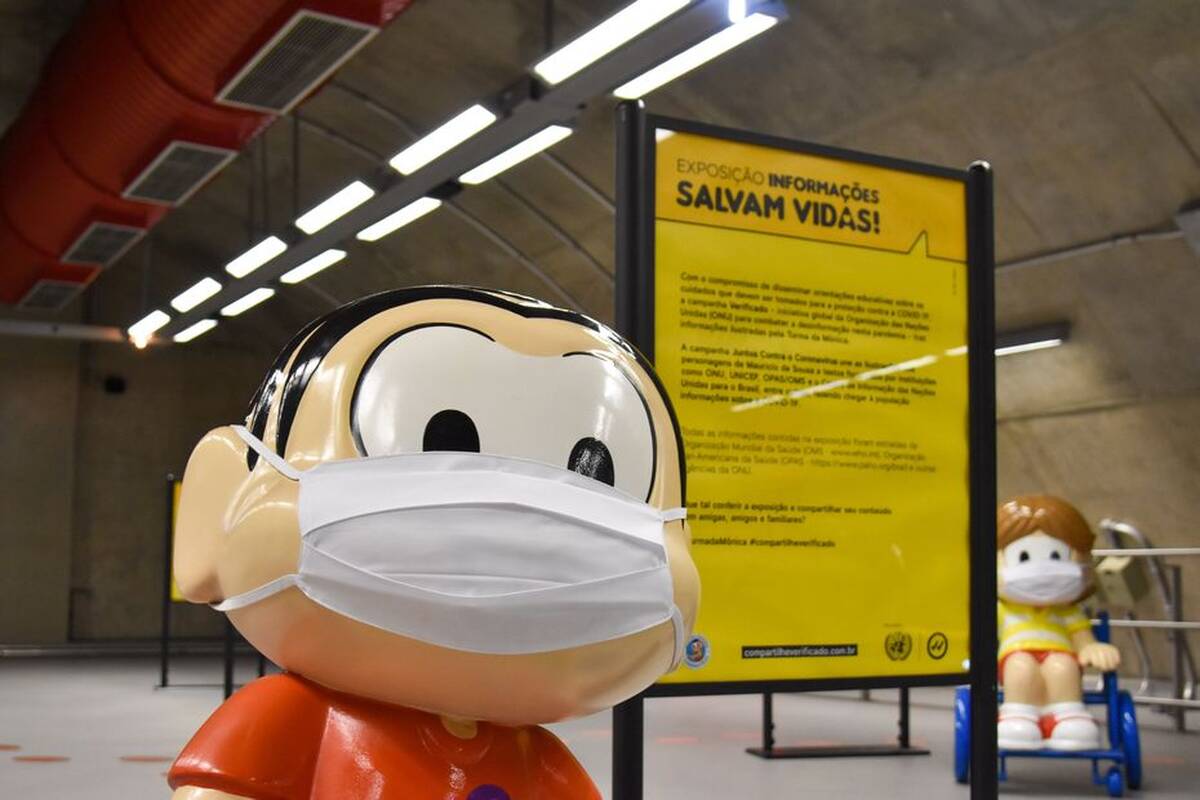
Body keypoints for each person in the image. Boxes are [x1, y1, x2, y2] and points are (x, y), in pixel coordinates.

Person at [166, 287, 700, 799]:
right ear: (218, 502)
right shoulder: (289, 716)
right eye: (444, 438)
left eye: (594, 471)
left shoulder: (531, 753)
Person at [996, 495, 1120, 751]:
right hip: (1015, 655)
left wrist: (1092, 647)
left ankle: (1067, 716)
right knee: (1020, 667)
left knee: (1063, 666)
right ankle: (1018, 714)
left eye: (1056, 555)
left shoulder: (1068, 612)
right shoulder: (1003, 610)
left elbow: (1082, 638)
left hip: (1060, 652)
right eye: (1023, 556)